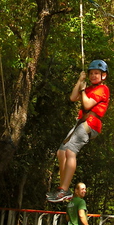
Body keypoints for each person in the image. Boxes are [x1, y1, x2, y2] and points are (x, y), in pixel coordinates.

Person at [46, 59, 110, 202]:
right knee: (61, 152)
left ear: (103, 76)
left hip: (91, 124)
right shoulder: (88, 89)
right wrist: (79, 81)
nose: (93, 76)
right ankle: (64, 188)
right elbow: (73, 97)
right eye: (91, 73)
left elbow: (87, 105)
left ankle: (64, 190)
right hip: (81, 123)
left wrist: (82, 89)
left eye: (97, 73)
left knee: (70, 151)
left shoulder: (103, 89)